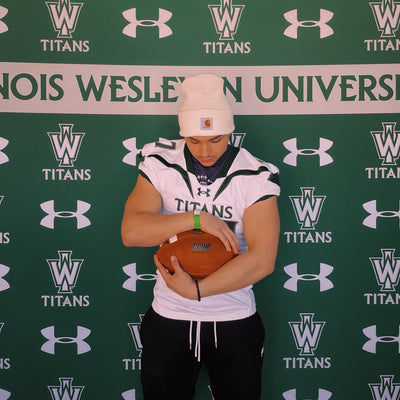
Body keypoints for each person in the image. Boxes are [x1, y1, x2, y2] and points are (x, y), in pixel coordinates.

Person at [121, 73, 280, 400]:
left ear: (230, 131)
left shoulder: (256, 174)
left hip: (233, 316)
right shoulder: (160, 162)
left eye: (216, 139)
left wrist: (196, 291)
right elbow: (132, 232)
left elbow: (263, 259)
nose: (205, 151)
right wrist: (196, 218)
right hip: (169, 316)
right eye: (194, 140)